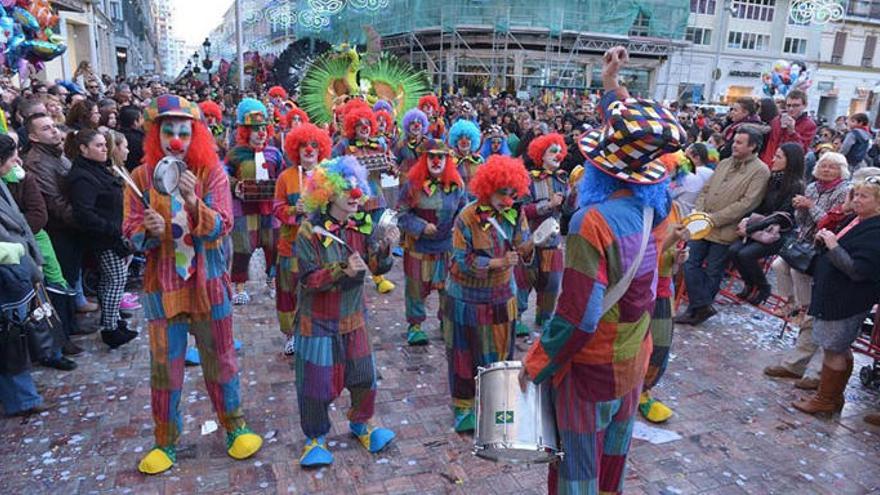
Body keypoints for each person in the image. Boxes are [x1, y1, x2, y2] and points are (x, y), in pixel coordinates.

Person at [521, 46, 682, 495]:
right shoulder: (658, 205)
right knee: (613, 461)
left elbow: (578, 317)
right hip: (632, 362)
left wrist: (536, 363)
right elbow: (634, 137)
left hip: (590, 370)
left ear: (598, 166)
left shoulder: (592, 222)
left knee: (576, 468)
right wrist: (612, 85)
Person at [122, 94, 263, 475]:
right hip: (163, 289)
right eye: (169, 131)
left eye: (184, 131)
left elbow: (223, 226)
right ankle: (165, 440)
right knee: (164, 367)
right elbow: (130, 233)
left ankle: (234, 427)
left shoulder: (212, 173)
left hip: (211, 285)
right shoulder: (139, 178)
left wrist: (192, 200)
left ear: (195, 134)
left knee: (221, 359)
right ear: (157, 135)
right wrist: (146, 233)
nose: (176, 139)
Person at [293, 156, 398, 467]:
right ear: (328, 193)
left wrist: (385, 249)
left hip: (354, 317)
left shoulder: (363, 226)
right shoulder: (309, 232)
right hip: (318, 323)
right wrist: (341, 270)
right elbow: (308, 280)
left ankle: (361, 423)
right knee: (316, 383)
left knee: (365, 376)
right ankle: (314, 438)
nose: (355, 195)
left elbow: (377, 267)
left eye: (356, 188)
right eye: (346, 189)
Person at [443, 155, 533, 432]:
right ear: (487, 187)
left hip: (502, 297)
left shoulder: (517, 213)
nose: (507, 199)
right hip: (464, 299)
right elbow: (459, 260)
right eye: (501, 192)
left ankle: (498, 405)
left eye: (512, 193)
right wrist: (496, 263)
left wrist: (533, 245)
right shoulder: (466, 217)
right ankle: (464, 407)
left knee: (501, 353)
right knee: (462, 354)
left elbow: (523, 246)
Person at [792, 177, 880, 416]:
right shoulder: (857, 220)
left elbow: (858, 270)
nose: (856, 200)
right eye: (856, 195)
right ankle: (832, 396)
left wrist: (833, 246)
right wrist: (826, 242)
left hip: (846, 299)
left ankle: (825, 399)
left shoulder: (875, 231)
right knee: (838, 348)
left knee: (834, 349)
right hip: (833, 293)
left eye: (863, 196)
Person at [764, 152, 850, 389]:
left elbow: (830, 222)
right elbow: (803, 222)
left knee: (821, 313)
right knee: (781, 265)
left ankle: (812, 371)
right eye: (823, 165)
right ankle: (795, 306)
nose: (826, 170)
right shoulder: (812, 187)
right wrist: (801, 208)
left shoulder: (844, 192)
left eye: (832, 167)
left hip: (827, 254)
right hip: (807, 245)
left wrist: (810, 206)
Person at [675, 127, 770, 325]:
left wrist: (715, 218)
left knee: (713, 271)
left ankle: (696, 310)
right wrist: (701, 213)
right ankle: (702, 306)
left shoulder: (760, 171)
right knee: (690, 262)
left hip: (725, 229)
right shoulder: (725, 162)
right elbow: (705, 190)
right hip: (702, 225)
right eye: (734, 141)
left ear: (752, 146)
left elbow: (747, 203)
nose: (734, 145)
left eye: (740, 142)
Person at [65, 129, 137, 348]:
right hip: (104, 237)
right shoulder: (82, 176)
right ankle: (110, 328)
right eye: (98, 146)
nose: (104, 149)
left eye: (104, 145)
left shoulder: (97, 168)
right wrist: (111, 229)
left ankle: (113, 321)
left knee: (112, 280)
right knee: (115, 279)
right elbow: (85, 212)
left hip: (111, 232)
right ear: (83, 149)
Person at [396, 138, 465, 345]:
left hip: (446, 247)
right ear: (425, 159)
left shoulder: (456, 185)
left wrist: (458, 226)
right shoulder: (412, 185)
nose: (436, 161)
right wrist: (421, 226)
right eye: (432, 156)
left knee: (448, 288)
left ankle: (446, 321)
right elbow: (401, 214)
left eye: (441, 157)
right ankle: (415, 326)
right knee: (416, 288)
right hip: (419, 247)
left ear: (447, 160)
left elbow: (464, 209)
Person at [273, 123, 332, 355]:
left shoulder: (328, 176)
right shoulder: (285, 177)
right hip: (291, 245)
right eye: (304, 145)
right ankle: (291, 334)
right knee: (288, 291)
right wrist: (292, 210)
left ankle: (317, 329)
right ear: (296, 149)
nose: (309, 150)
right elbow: (276, 208)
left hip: (319, 246)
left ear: (321, 149)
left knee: (318, 287)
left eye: (314, 145)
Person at [332, 101, 397, 294]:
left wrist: (391, 167)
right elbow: (330, 165)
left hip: (377, 200)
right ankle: (350, 275)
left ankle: (379, 277)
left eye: (367, 124)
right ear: (353, 127)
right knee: (354, 239)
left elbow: (392, 163)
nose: (364, 129)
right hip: (353, 202)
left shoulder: (380, 144)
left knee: (377, 237)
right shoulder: (344, 145)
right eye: (360, 125)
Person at [728, 142, 805, 304]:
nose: (772, 160)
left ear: (790, 161)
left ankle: (763, 287)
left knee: (746, 254)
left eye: (778, 157)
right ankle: (750, 284)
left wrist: (750, 228)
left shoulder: (795, 186)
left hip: (780, 233)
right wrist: (745, 220)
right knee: (734, 250)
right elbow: (761, 205)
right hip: (761, 227)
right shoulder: (772, 179)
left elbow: (782, 216)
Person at [0, 155, 46, 417]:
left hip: (16, 265)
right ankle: (22, 399)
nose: (16, 161)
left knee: (12, 336)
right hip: (9, 269)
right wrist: (19, 255)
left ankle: (23, 396)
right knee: (9, 337)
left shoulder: (7, 183)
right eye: (9, 158)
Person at [226, 98, 283, 304]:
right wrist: (235, 185)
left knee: (274, 246)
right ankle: (239, 286)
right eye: (255, 129)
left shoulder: (274, 153)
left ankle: (273, 280)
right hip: (244, 209)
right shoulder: (235, 154)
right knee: (242, 248)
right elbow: (224, 175)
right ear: (245, 132)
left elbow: (283, 175)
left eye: (263, 129)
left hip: (270, 210)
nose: (261, 133)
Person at [514, 133, 571, 337]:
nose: (557, 155)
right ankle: (518, 317)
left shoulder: (563, 179)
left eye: (559, 151)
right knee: (524, 280)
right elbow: (522, 208)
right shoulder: (529, 179)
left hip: (553, 240)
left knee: (553, 281)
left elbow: (568, 210)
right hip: (529, 239)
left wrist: (573, 197)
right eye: (552, 151)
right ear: (541, 154)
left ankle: (545, 316)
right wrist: (548, 205)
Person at [760, 90, 818, 165]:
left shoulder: (809, 125)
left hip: (788, 166)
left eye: (796, 105)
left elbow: (801, 150)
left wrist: (792, 132)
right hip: (768, 163)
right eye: (788, 105)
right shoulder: (776, 120)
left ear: (804, 106)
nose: (791, 109)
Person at [670, 143, 716, 214]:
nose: (683, 159)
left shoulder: (689, 176)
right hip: (693, 215)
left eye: (686, 156)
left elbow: (669, 193)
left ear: (697, 158)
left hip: (677, 214)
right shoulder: (711, 173)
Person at [447, 118, 483, 187]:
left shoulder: (478, 160)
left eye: (468, 138)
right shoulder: (450, 159)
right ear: (455, 141)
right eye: (460, 138)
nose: (464, 141)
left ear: (472, 140)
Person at [394, 108, 429, 177]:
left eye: (419, 122)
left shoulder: (428, 143)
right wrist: (395, 170)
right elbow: (395, 161)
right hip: (407, 181)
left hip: (424, 181)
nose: (416, 126)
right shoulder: (401, 144)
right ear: (408, 126)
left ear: (423, 125)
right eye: (412, 123)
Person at [119, 106, 145, 171]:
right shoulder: (139, 139)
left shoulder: (117, 134)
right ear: (135, 122)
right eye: (141, 118)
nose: (143, 120)